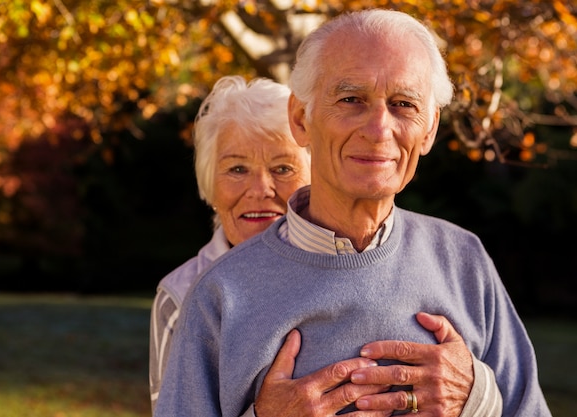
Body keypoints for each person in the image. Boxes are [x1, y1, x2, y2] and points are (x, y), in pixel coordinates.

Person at [155, 9, 552, 417]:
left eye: (403, 104)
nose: (379, 128)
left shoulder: (464, 261)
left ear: (430, 128)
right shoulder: (219, 294)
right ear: (300, 119)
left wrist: (477, 397)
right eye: (351, 100)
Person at [149, 75, 311, 410]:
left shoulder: (349, 265)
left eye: (282, 168)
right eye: (237, 169)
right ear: (209, 183)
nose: (260, 189)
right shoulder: (182, 295)